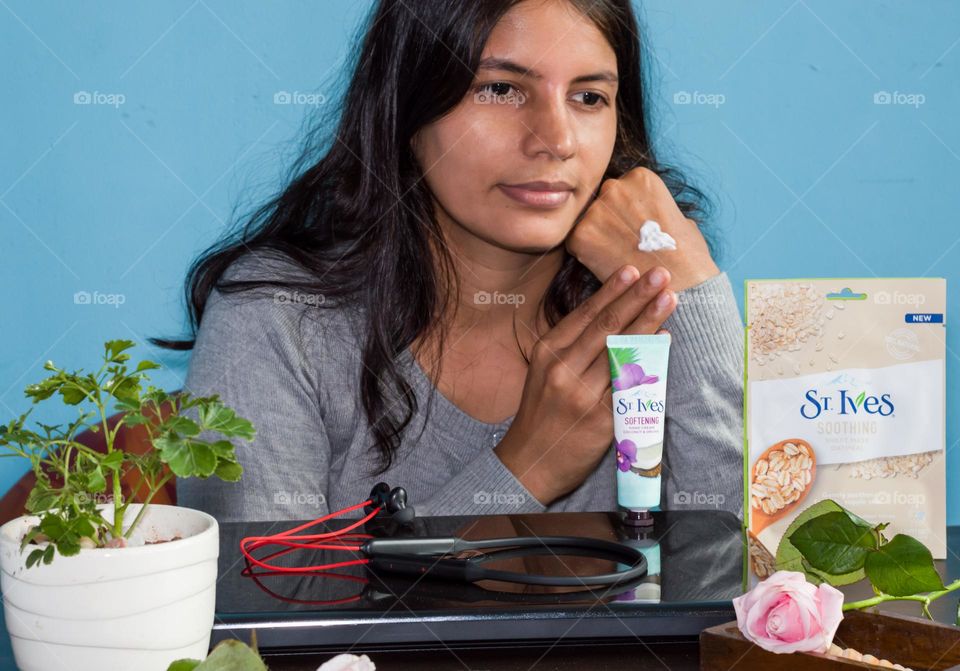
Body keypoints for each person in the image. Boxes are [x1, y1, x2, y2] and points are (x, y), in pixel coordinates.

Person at [153, 0, 744, 523]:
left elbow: (759, 585)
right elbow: (264, 616)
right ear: (408, 110)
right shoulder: (278, 319)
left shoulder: (649, 313)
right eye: (500, 89)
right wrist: (522, 472)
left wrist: (689, 286)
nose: (557, 139)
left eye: (589, 97)